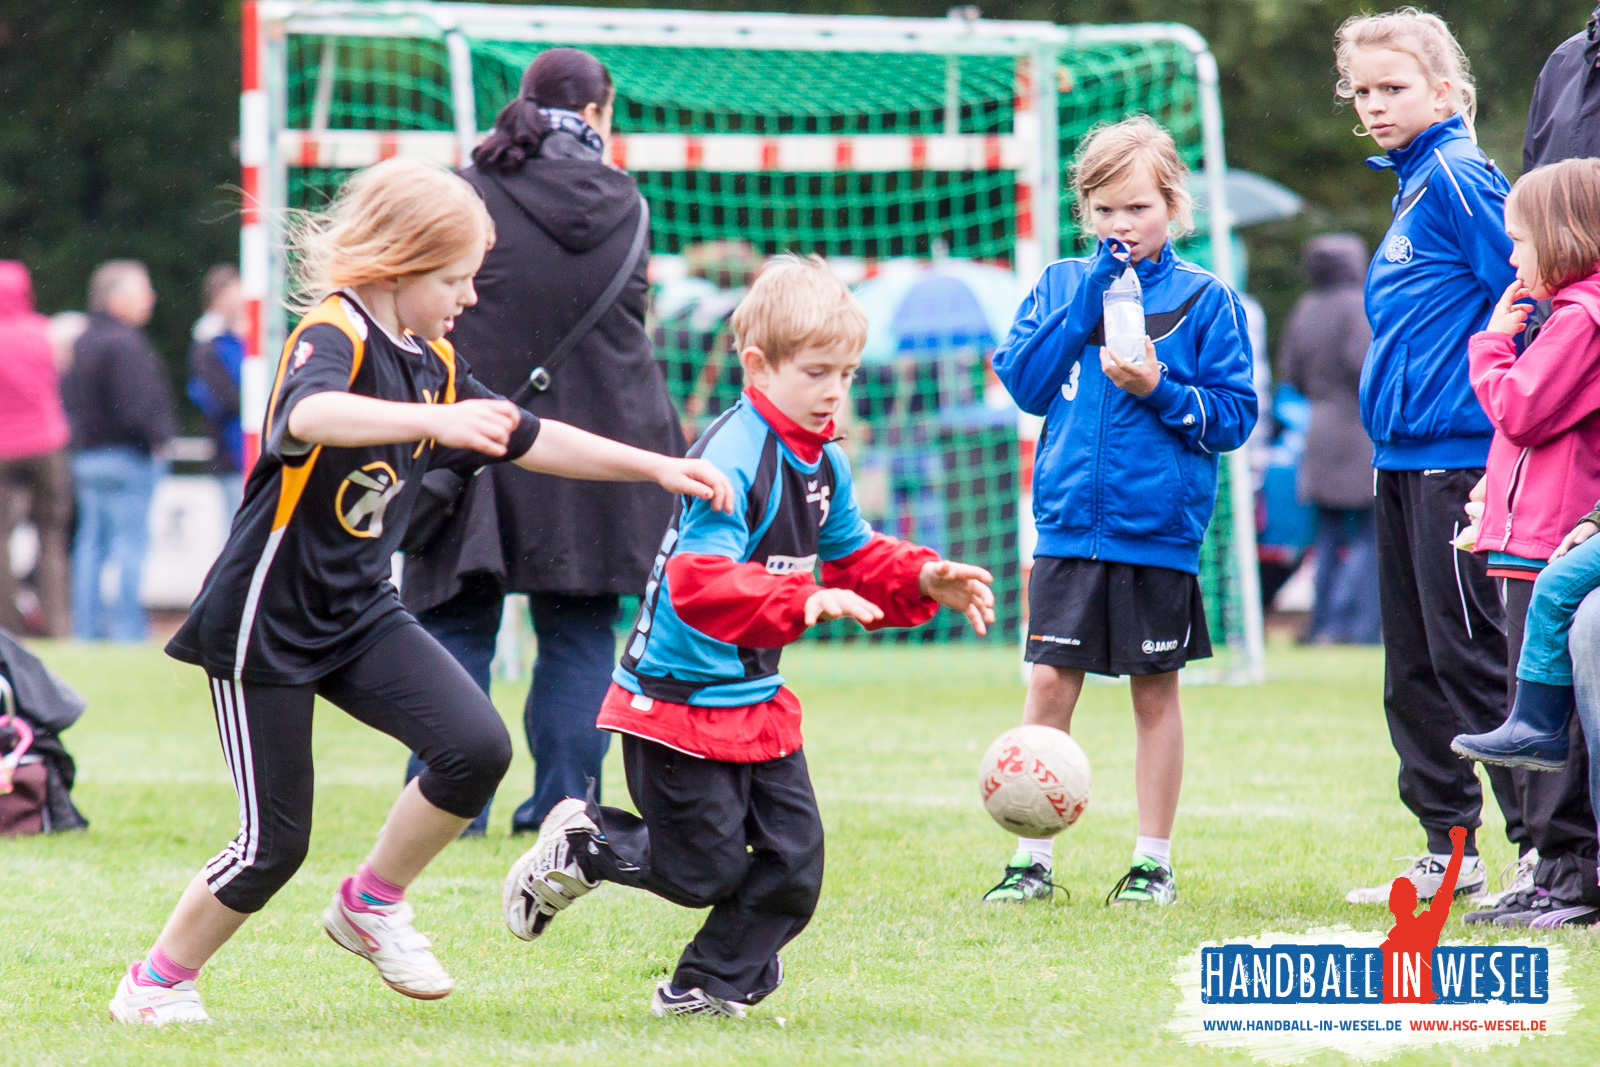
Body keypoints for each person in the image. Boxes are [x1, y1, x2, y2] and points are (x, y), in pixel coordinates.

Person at [106, 157, 733, 1026]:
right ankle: (155, 981)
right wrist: (434, 421)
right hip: (266, 623)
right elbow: (307, 415)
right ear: (400, 264)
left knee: (475, 747)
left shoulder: (431, 358)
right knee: (274, 843)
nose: (469, 298)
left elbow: (526, 433)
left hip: (361, 611)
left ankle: (369, 902)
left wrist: (657, 467)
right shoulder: (336, 330)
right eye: (456, 279)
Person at [499, 256, 996, 1018]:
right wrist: (803, 598)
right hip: (675, 701)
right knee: (699, 869)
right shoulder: (733, 454)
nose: (835, 391)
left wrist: (922, 576)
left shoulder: (824, 456)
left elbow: (853, 551)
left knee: (796, 862)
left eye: (847, 374)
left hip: (753, 699)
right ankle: (587, 842)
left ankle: (705, 985)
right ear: (758, 365)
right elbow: (697, 583)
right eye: (817, 372)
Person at [400, 47, 685, 835]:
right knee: (580, 630)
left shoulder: (466, 191)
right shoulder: (628, 202)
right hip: (598, 444)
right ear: (594, 112)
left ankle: (447, 806)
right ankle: (565, 805)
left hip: (477, 429)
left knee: (457, 624)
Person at [982, 115, 1258, 906]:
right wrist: (1085, 304)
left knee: (1154, 692)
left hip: (1156, 531)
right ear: (1084, 211)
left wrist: (1159, 389)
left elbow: (1235, 417)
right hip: (1069, 525)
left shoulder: (1205, 299)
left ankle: (1152, 861)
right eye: (1104, 209)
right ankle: (1031, 860)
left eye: (1137, 208)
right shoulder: (1060, 283)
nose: (1120, 225)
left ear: (1173, 205)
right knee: (1048, 684)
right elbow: (1026, 384)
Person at [1333, 8, 1526, 906]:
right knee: (1412, 671)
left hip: (1458, 460)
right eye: (1362, 90)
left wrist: (1511, 428)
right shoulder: (1413, 183)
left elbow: (1527, 288)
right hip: (1399, 459)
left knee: (1472, 660)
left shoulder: (1456, 174)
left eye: (1394, 88)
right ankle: (1450, 852)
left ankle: (1543, 851)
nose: (1375, 104)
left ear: (1443, 92)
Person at [1445, 159, 1600, 928]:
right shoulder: (1567, 315)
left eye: (1520, 241)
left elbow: (1519, 409)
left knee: (1549, 725)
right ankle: (1550, 867)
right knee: (1533, 716)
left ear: (1564, 236)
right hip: (1525, 540)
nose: (1511, 257)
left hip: (1549, 545)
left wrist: (1490, 343)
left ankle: (1567, 874)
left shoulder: (1581, 320)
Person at [60, 260, 175, 643]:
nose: (150, 298)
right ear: (116, 298)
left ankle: (87, 630)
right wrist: (157, 439)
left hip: (87, 456)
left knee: (90, 547)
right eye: (142, 290)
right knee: (130, 544)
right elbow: (134, 408)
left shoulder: (82, 341)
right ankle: (128, 631)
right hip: (126, 457)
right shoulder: (124, 344)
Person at [1277, 234, 1380, 645]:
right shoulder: (1358, 307)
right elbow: (1366, 369)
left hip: (1318, 432)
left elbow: (1292, 374)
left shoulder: (1305, 308)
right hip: (1359, 432)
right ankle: (1354, 626)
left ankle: (1322, 625)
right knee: (1372, 535)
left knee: (1327, 537)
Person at [0, 262, 72, 639]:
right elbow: (61, 375)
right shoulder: (45, 332)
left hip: (2, 448)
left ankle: (8, 627)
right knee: (52, 536)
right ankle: (57, 623)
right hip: (46, 444)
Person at [187, 265, 248, 518]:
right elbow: (225, 398)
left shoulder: (238, 340)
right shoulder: (209, 345)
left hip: (242, 447)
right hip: (231, 450)